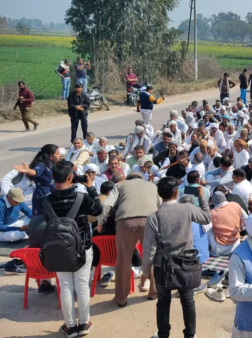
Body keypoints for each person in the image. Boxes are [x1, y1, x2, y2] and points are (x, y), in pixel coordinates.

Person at [141, 176, 210, 338]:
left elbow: (149, 248)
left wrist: (145, 273)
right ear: (176, 192)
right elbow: (206, 218)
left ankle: (163, 334)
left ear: (160, 193)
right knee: (188, 301)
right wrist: (201, 197)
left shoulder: (153, 217)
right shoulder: (187, 208)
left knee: (163, 302)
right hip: (186, 264)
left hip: (162, 266)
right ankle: (190, 334)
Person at [44, 159, 103, 337]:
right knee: (82, 285)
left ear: (53, 177)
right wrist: (91, 186)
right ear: (71, 176)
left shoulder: (44, 200)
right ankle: (84, 323)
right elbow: (98, 210)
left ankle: (70, 327)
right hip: (82, 247)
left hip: (57, 249)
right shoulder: (81, 197)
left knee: (65, 286)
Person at [100, 173, 160, 306]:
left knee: (123, 260)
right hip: (150, 221)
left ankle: (121, 298)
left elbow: (106, 206)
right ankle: (154, 292)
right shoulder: (152, 185)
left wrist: (100, 222)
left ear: (128, 179)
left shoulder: (120, 185)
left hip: (125, 222)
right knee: (153, 257)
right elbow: (159, 205)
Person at [14, 144, 61, 216]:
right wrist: (28, 170)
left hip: (52, 195)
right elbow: (35, 172)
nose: (59, 155)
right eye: (57, 154)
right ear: (51, 156)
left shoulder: (53, 163)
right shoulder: (42, 164)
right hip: (43, 196)